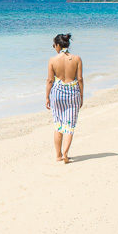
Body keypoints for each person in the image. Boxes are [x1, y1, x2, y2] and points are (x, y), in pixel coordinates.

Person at [45, 33, 83, 163]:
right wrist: (82, 96)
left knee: (58, 125)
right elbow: (80, 79)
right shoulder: (77, 58)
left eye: (54, 45)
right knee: (69, 126)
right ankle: (66, 153)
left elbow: (50, 80)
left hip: (57, 94)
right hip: (73, 93)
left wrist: (47, 97)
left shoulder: (52, 60)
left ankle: (58, 155)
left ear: (58, 45)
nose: (54, 47)